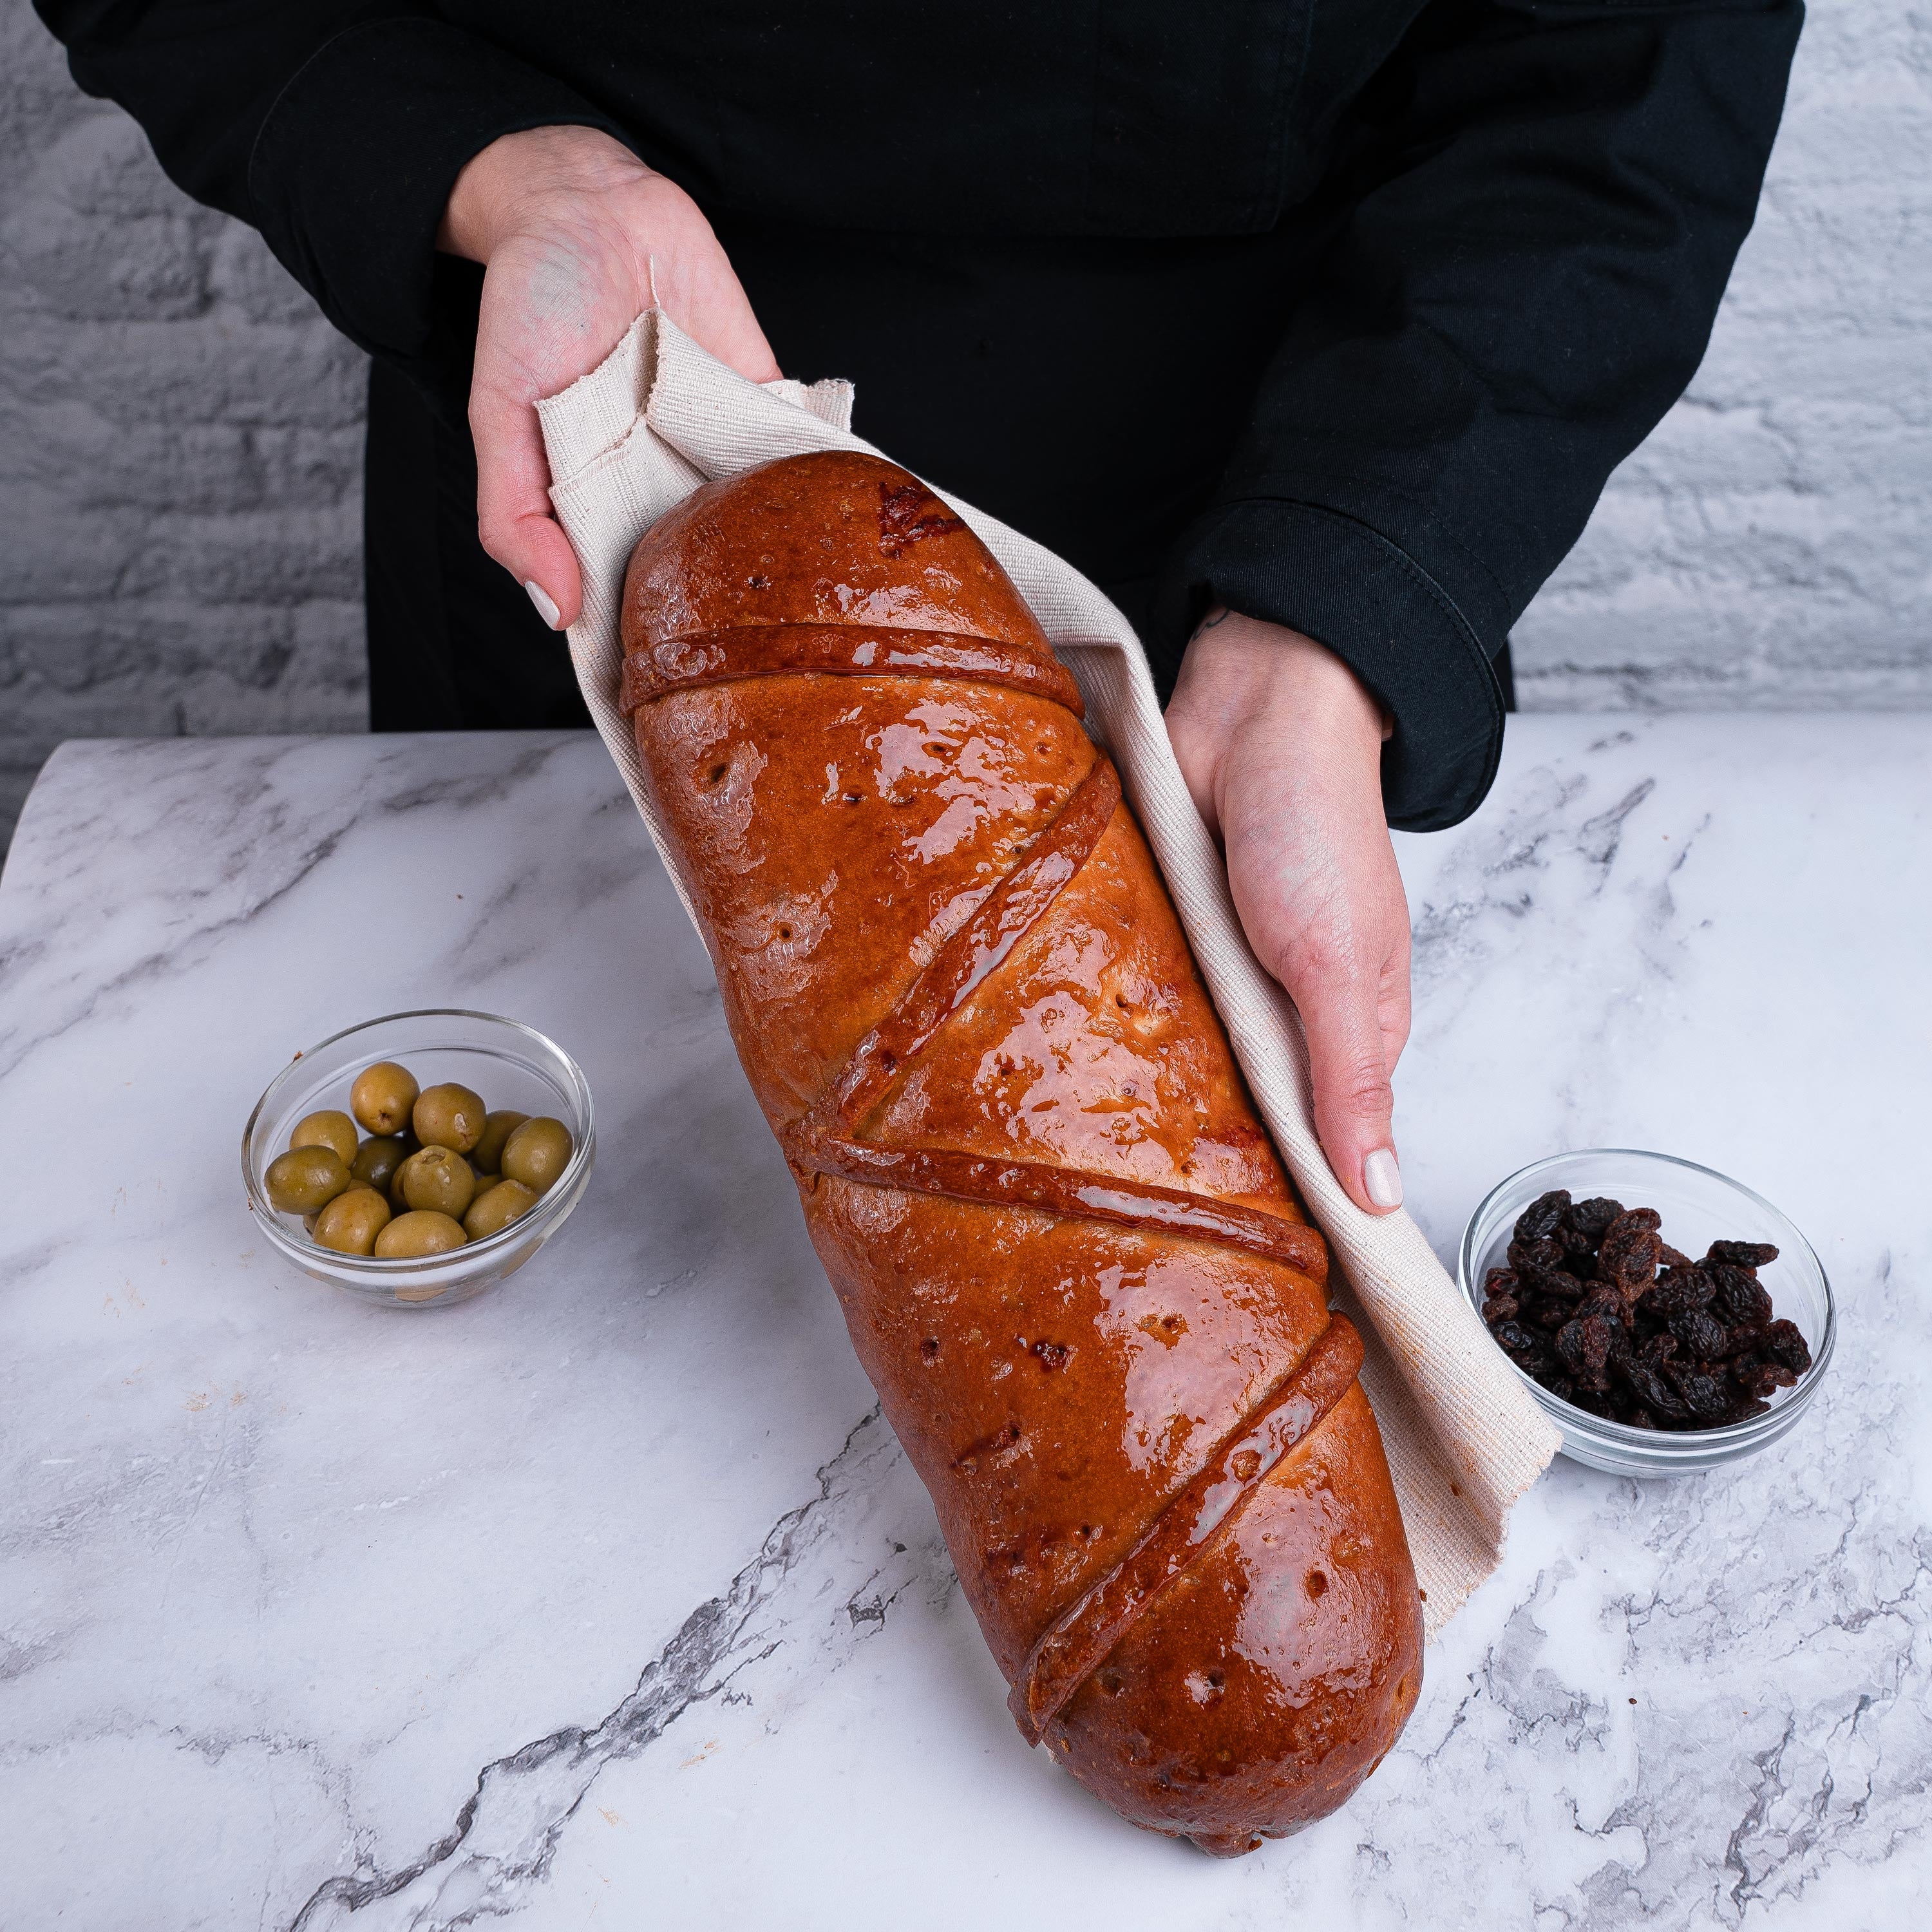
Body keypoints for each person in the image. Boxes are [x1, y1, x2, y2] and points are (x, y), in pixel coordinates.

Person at [35, 2, 1801, 1218]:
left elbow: (1631, 52)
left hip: (1237, 523)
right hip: (603, 459)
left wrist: (1341, 615)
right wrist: (496, 171)